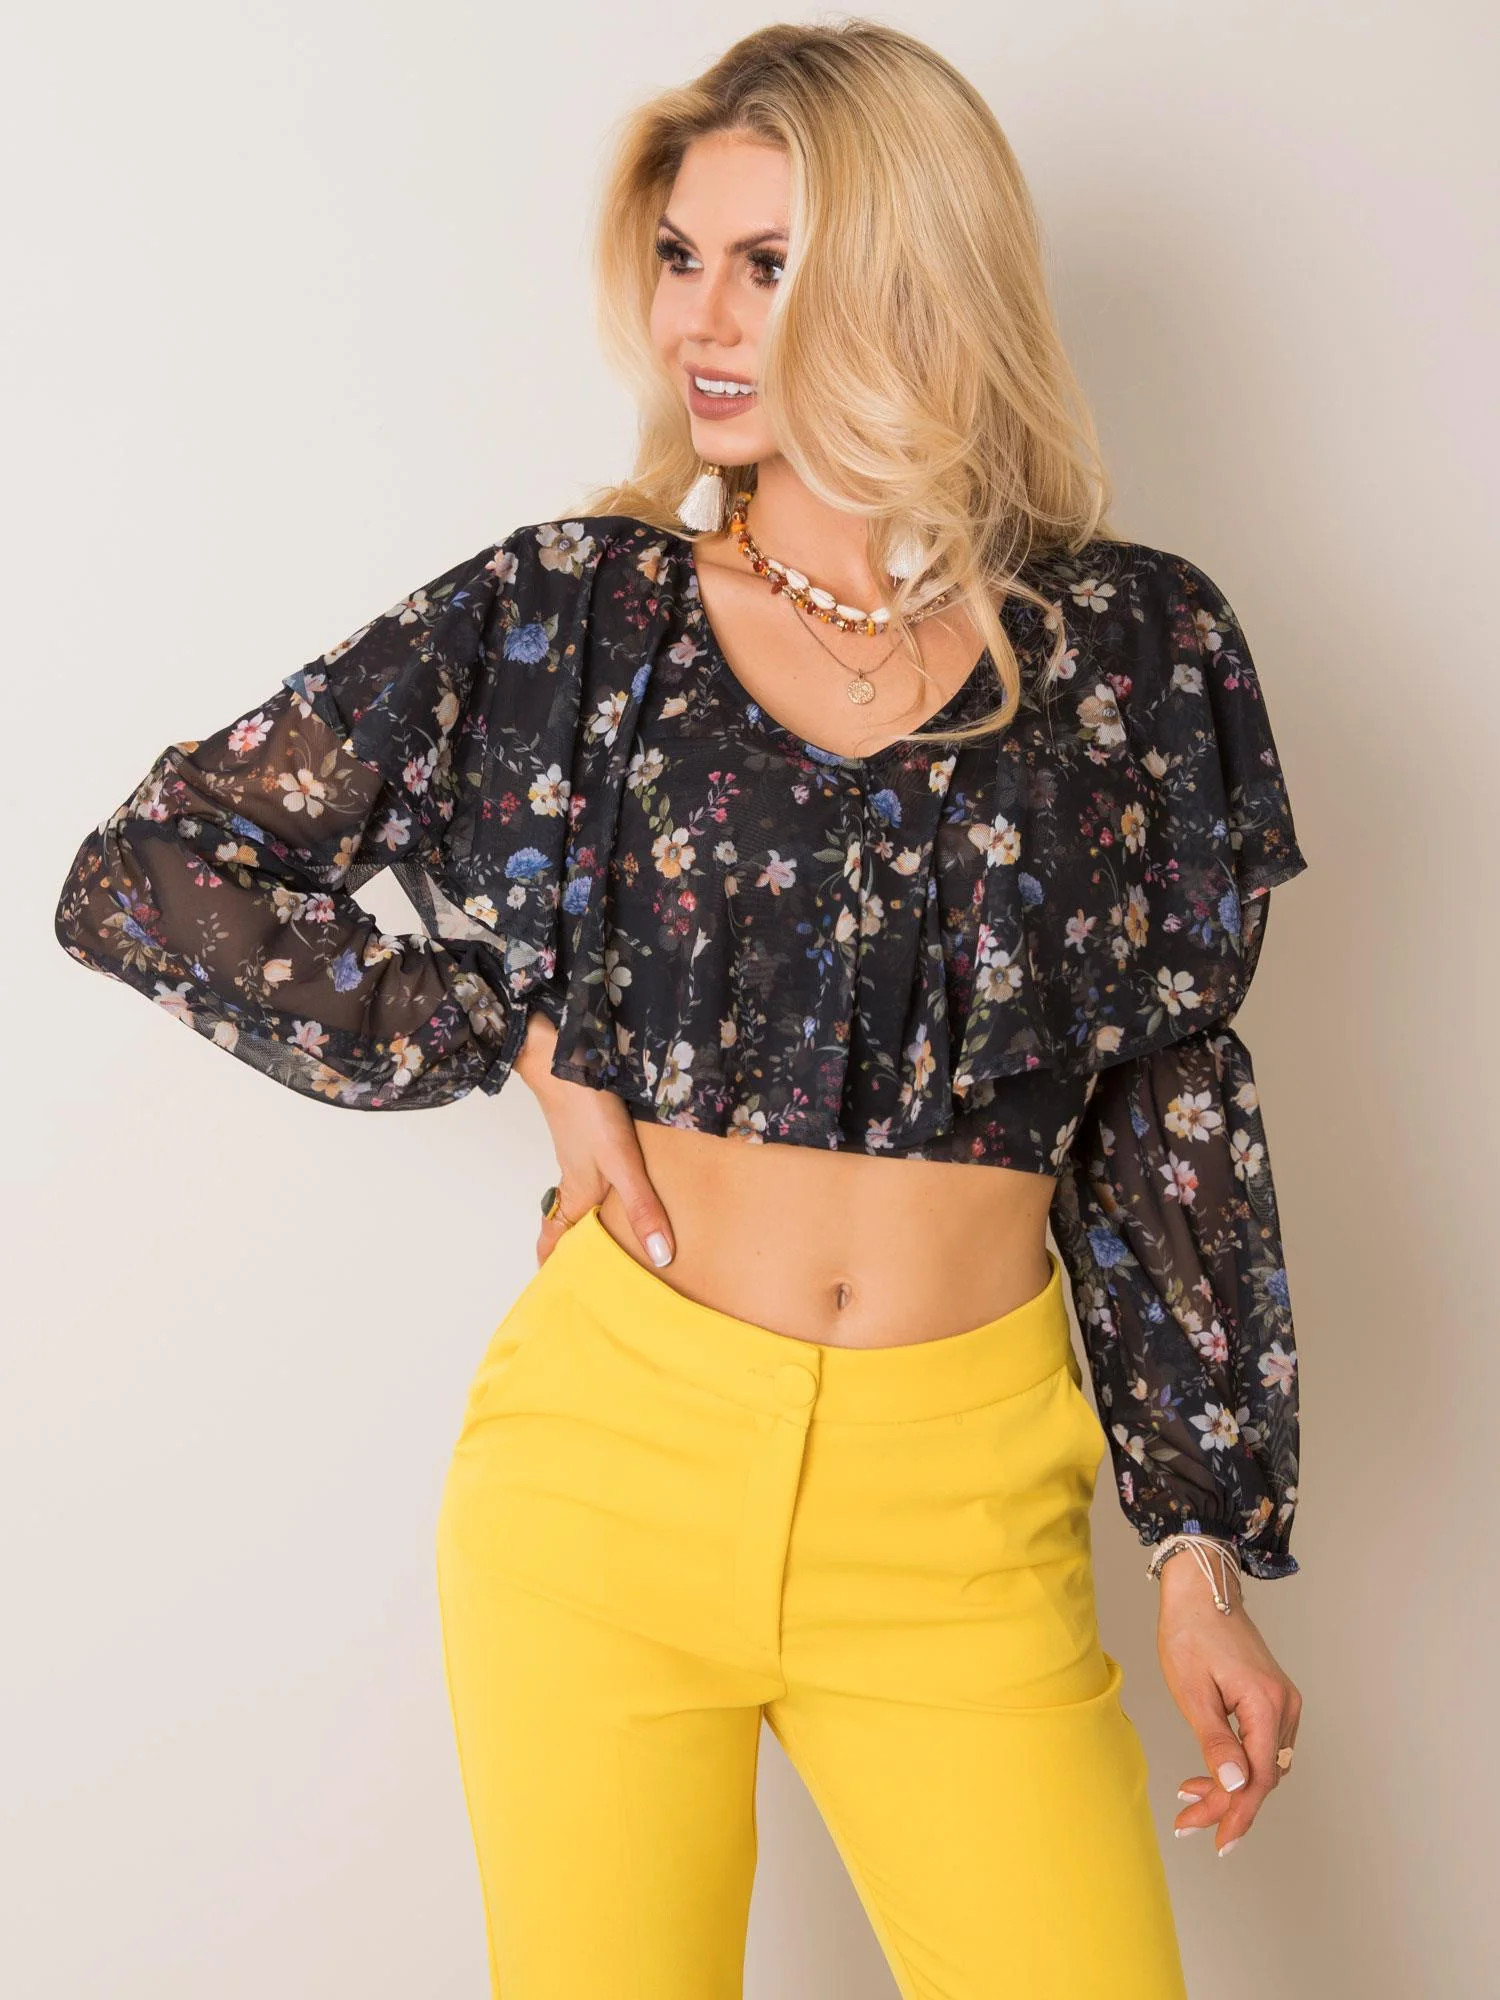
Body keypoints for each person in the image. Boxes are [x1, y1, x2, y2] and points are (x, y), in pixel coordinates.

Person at [52, 20, 1307, 1999]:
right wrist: (514, 1036)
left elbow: (1163, 1114)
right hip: (607, 1466)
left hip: (961, 1513)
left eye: (766, 263)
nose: (697, 319)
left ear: (913, 279)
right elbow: (154, 868)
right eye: (677, 256)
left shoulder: (1135, 651)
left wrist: (1200, 1550)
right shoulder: (574, 615)